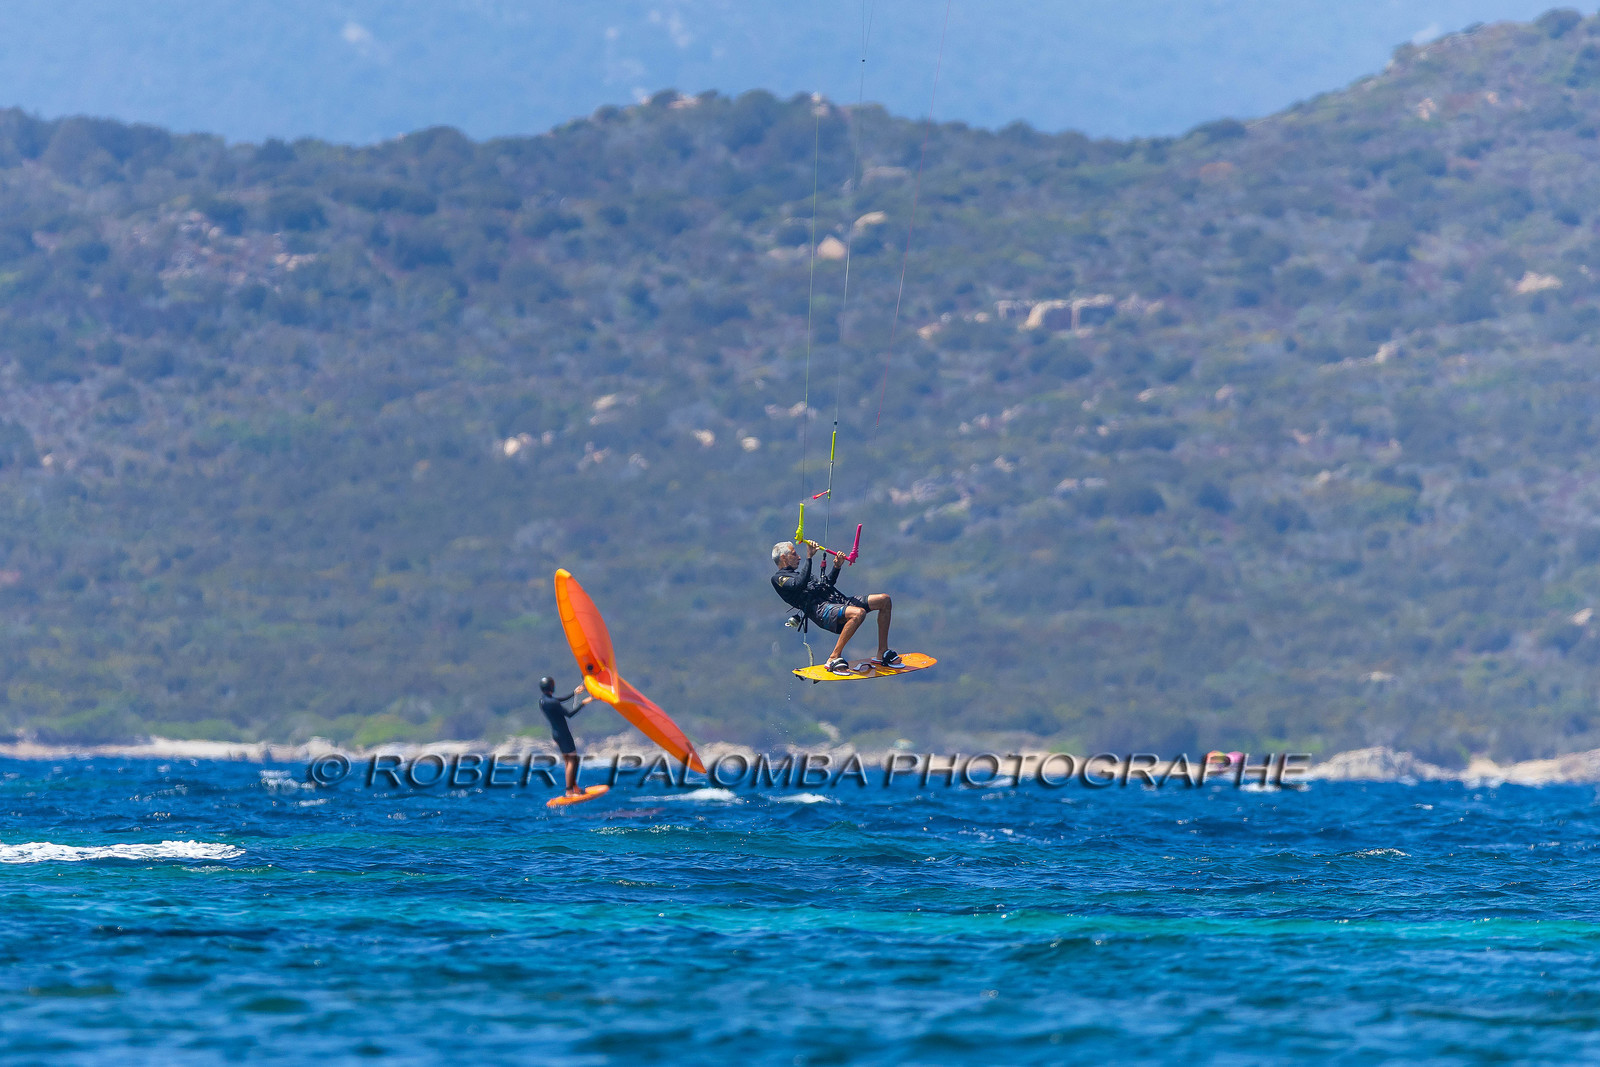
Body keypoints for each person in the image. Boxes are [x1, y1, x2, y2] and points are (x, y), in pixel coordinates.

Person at [770, 539, 898, 674]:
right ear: (783, 557)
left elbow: (827, 585)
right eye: (794, 554)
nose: (799, 557)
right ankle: (833, 657)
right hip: (821, 611)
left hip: (837, 602)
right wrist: (809, 558)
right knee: (858, 613)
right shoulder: (778, 578)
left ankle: (882, 652)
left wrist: (836, 567)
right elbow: (798, 584)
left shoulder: (801, 574)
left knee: (884, 600)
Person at [539, 676, 592, 796]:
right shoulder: (553, 702)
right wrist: (583, 703)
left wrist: (574, 693)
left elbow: (558, 700)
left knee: (569, 761)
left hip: (556, 734)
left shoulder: (543, 701)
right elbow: (569, 714)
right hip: (563, 734)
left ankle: (575, 788)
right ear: (552, 687)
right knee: (572, 761)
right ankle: (569, 791)